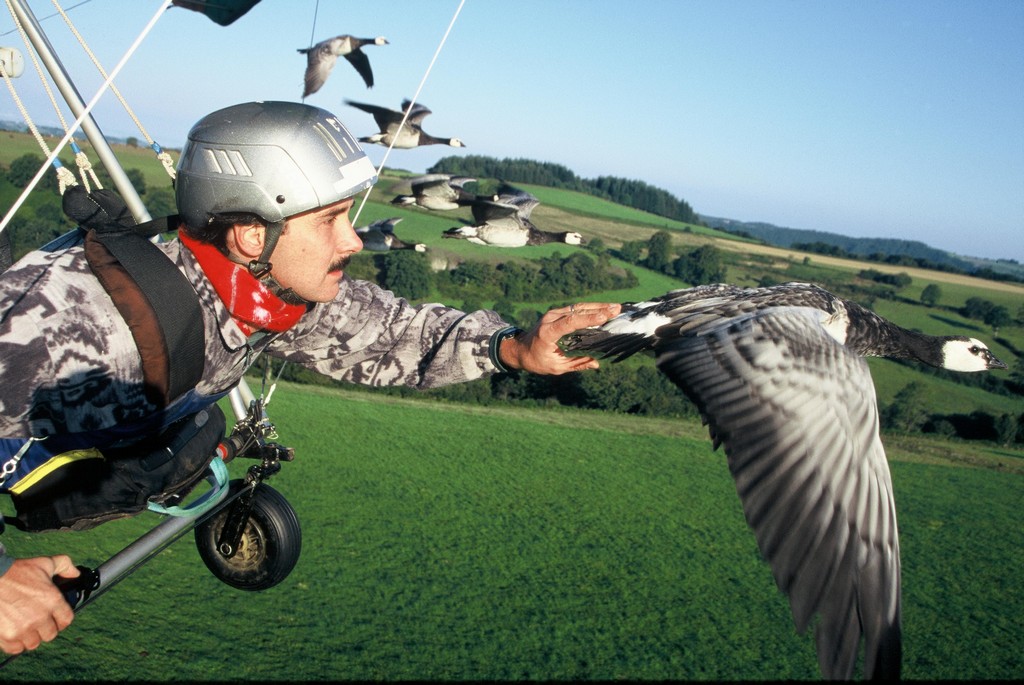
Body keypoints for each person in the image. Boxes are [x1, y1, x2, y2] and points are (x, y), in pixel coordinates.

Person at [0, 100, 620, 655]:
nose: (353, 240)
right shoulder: (73, 321)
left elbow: (393, 334)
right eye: (330, 221)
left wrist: (513, 348)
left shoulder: (267, 294)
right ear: (251, 233)